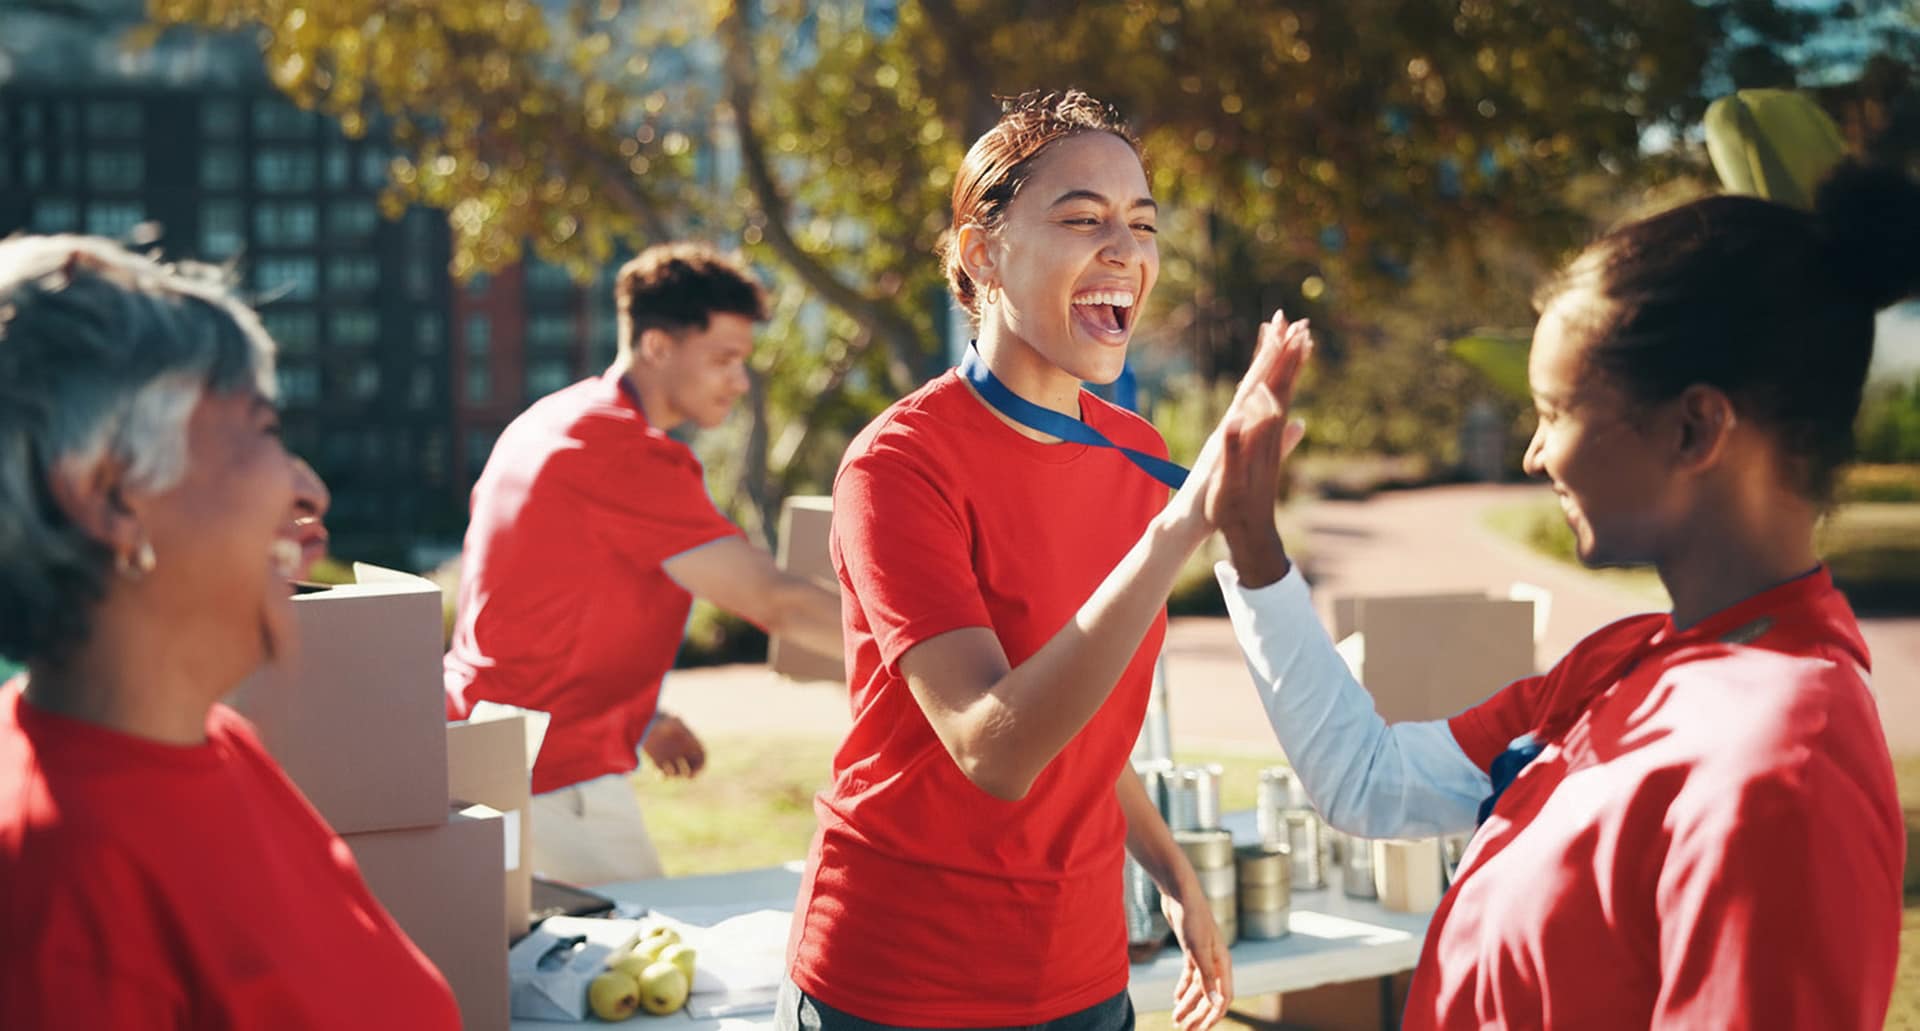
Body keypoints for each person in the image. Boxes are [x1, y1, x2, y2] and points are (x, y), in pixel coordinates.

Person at [1214, 162, 1919, 1028]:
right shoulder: (1629, 662)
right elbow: (1372, 781)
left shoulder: (1781, 766)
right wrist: (1252, 543)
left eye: (1555, 411)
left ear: (1694, 427)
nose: (1534, 454)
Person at [779, 90, 1312, 1031]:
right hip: (897, 984)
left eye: (1142, 224)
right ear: (982, 255)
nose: (1125, 250)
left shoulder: (1136, 454)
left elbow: (1080, 718)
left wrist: (1173, 870)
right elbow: (994, 746)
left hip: (1081, 975)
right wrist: (1183, 525)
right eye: (1082, 219)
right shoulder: (897, 465)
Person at [0, 235, 459, 1028]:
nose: (308, 491)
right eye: (264, 429)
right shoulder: (60, 894)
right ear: (108, 494)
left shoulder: (218, 743)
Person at [445, 242, 844, 886]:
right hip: (547, 778)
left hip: (487, 751)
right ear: (657, 346)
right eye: (724, 359)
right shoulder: (619, 451)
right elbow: (777, 602)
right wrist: (932, 655)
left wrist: (640, 719)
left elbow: (546, 603)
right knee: (649, 943)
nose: (740, 381)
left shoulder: (555, 418)